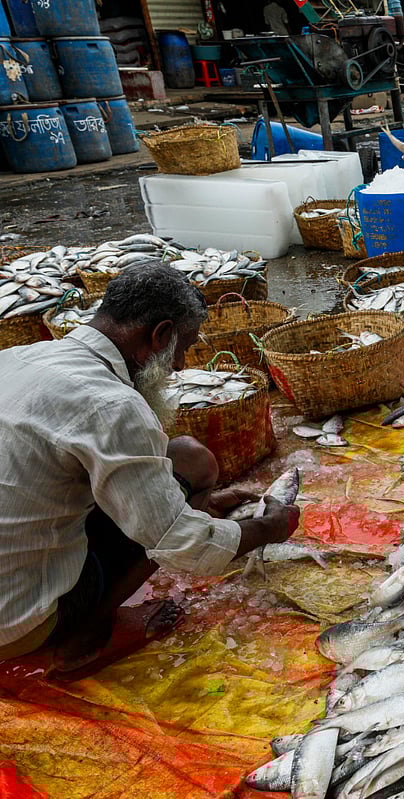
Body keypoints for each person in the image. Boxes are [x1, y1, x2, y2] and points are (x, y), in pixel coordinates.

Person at [0, 264, 300, 678]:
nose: (178, 364)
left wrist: (200, 503)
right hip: (16, 621)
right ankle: (84, 637)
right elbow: (181, 545)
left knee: (185, 457)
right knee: (177, 494)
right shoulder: (110, 403)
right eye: (183, 346)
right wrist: (270, 529)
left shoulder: (17, 357)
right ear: (159, 335)